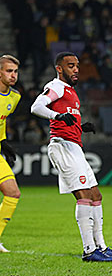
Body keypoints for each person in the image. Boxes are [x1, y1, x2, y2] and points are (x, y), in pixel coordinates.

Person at [31, 52, 112, 262]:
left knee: (96, 196)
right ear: (59, 68)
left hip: (75, 146)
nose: (76, 70)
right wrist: (57, 116)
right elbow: (36, 106)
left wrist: (79, 127)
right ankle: (89, 250)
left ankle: (101, 246)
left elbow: (65, 118)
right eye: (70, 66)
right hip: (62, 146)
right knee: (83, 196)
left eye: (77, 66)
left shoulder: (71, 92)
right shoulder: (56, 86)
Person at [0, 55, 21, 253]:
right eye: (8, 71)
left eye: (15, 71)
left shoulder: (14, 97)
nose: (13, 75)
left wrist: (4, 141)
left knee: (13, 193)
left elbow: (2, 119)